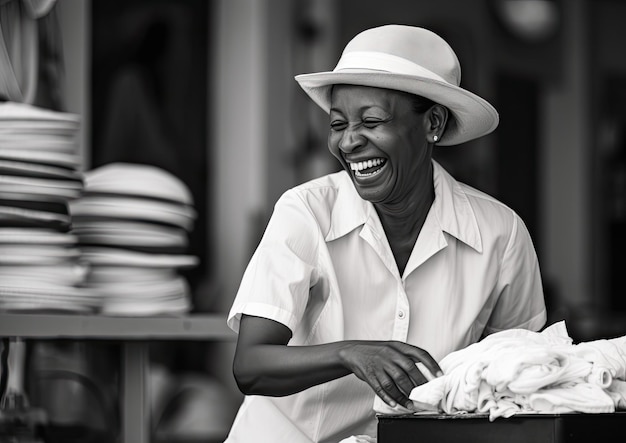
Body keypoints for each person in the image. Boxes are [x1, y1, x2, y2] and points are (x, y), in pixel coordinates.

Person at [225, 24, 547, 443]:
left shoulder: (500, 233)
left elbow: (522, 376)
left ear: (433, 122)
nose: (349, 142)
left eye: (372, 121)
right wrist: (351, 353)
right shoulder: (306, 211)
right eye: (338, 124)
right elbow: (250, 365)